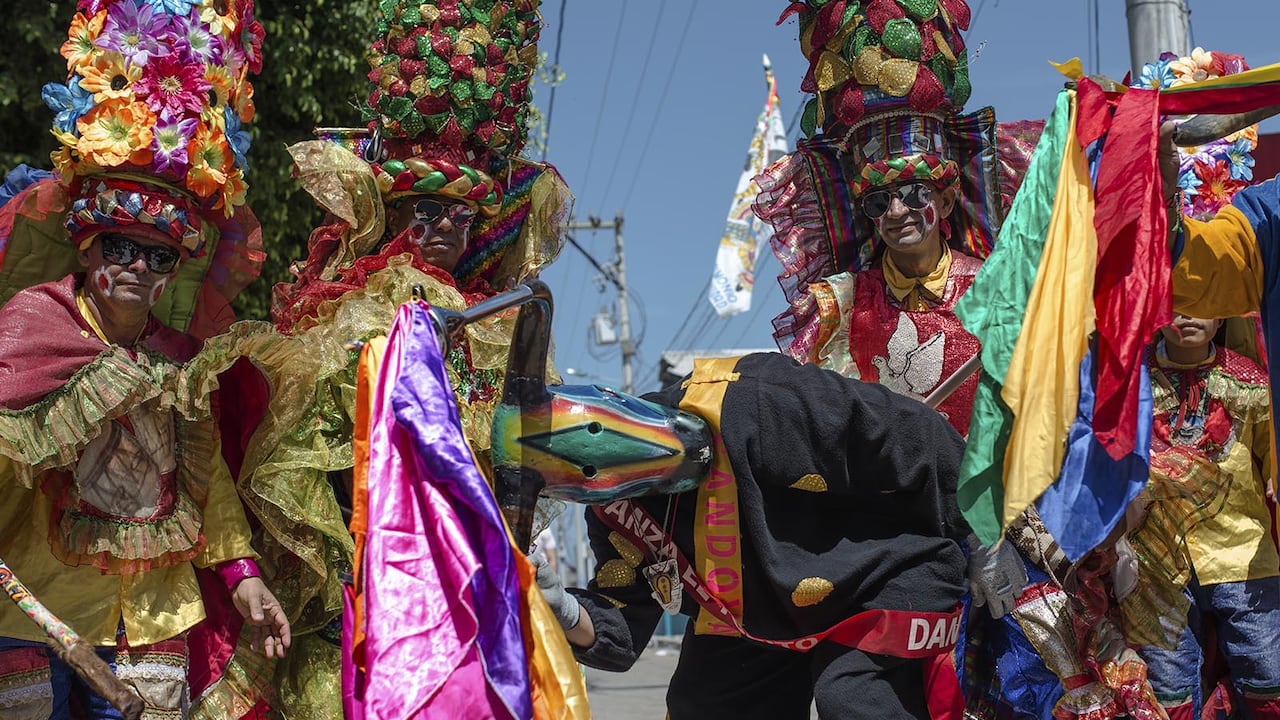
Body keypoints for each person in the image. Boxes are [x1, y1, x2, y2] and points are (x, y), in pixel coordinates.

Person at [187, 1, 571, 716]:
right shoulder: (353, 311)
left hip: (465, 591)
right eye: (424, 210)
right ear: (391, 215)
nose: (444, 229)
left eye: (462, 213)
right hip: (363, 581)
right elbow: (309, 449)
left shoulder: (498, 321)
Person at [0, 1, 288, 717]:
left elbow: (205, 476)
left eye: (155, 254)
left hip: (155, 617)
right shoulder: (31, 326)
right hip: (32, 613)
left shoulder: (181, 358)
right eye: (118, 246)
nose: (134, 265)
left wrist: (242, 570)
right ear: (88, 248)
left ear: (172, 270)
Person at [535, 352, 972, 720]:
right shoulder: (613, 508)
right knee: (700, 707)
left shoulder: (757, 395)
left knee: (856, 700)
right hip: (753, 618)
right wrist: (562, 609)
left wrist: (989, 534)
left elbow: (917, 435)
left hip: (881, 575)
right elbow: (623, 622)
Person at [1124, 315, 1280, 719]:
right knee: (1169, 693)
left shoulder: (1253, 383)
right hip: (1153, 567)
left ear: (1223, 313)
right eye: (1176, 303)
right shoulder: (1126, 382)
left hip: (1243, 558)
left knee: (1268, 679)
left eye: (1201, 304)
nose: (1187, 316)